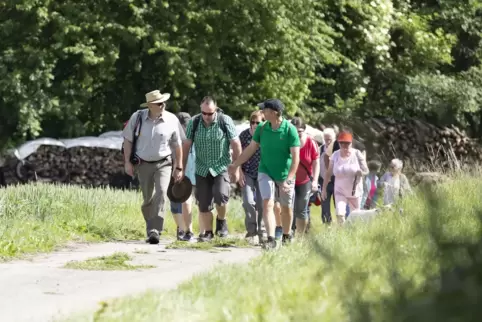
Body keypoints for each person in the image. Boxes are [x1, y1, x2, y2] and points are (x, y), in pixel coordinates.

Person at [229, 98, 300, 249]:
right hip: (265, 170)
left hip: (285, 174)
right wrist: (235, 164)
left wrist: (288, 179)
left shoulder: (290, 130)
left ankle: (286, 235)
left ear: (274, 113)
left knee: (286, 207)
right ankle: (271, 238)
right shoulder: (262, 128)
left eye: (265, 110)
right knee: (268, 203)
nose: (262, 113)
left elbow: (295, 159)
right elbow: (250, 149)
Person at [123, 90, 184, 244]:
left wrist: (179, 166)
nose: (162, 105)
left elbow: (177, 146)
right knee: (147, 199)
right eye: (158, 103)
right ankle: (151, 227)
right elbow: (128, 140)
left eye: (163, 102)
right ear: (150, 105)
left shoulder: (171, 119)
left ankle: (155, 229)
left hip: (164, 162)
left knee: (162, 192)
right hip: (142, 164)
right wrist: (127, 162)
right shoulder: (137, 118)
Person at [182, 96, 242, 242]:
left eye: (210, 113)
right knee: (203, 203)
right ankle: (208, 232)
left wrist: (236, 167)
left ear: (216, 109)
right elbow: (186, 145)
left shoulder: (224, 121)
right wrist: (181, 168)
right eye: (204, 113)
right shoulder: (194, 122)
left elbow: (236, 144)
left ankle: (221, 220)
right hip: (201, 168)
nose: (207, 116)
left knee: (221, 197)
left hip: (221, 166)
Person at [321, 131, 368, 224]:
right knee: (340, 214)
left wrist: (361, 172)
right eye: (342, 143)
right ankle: (342, 234)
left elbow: (366, 170)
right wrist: (324, 189)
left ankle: (354, 234)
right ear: (339, 143)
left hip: (354, 191)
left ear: (351, 143)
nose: (344, 146)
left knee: (355, 216)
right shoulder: (335, 155)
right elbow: (328, 173)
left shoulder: (357, 154)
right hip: (340, 190)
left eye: (347, 143)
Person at [239, 111, 266, 243]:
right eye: (252, 122)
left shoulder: (267, 135)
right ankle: (251, 230)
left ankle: (262, 232)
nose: (255, 125)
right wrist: (239, 172)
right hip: (247, 172)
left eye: (258, 122)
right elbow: (237, 154)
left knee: (262, 205)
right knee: (248, 202)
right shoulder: (244, 135)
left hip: (263, 173)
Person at [170, 112, 197, 241]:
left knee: (186, 201)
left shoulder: (195, 137)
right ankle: (181, 228)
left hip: (189, 172)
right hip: (174, 172)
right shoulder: (171, 137)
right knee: (175, 203)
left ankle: (188, 230)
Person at [290, 117, 319, 236]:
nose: (296, 134)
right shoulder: (287, 141)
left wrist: (315, 181)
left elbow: (316, 162)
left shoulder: (311, 142)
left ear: (304, 130)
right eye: (294, 132)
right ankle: (288, 234)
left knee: (301, 210)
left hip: (305, 181)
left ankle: (300, 237)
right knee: (288, 208)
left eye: (299, 132)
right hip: (289, 179)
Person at [319, 128, 337, 224]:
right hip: (323, 180)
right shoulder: (321, 149)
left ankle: (340, 223)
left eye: (330, 139)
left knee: (337, 203)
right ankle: (327, 223)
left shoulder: (337, 149)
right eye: (326, 139)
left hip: (336, 180)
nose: (328, 141)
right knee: (324, 204)